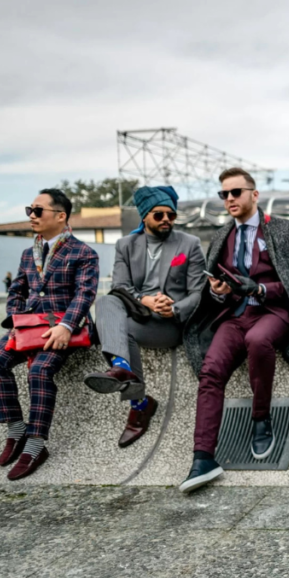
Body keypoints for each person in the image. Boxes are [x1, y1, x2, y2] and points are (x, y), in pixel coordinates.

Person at [180, 168, 289, 492]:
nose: (228, 200)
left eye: (235, 192)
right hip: (233, 315)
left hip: (274, 312)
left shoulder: (285, 230)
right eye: (223, 194)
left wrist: (260, 290)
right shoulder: (222, 235)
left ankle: (261, 419)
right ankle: (202, 458)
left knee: (258, 340)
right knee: (211, 370)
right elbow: (211, 290)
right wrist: (218, 291)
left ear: (255, 194)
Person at [0, 189, 99, 480]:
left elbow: (84, 295)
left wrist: (66, 326)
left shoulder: (84, 253)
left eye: (38, 211)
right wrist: (16, 319)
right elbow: (17, 290)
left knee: (40, 371)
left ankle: (35, 444)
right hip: (29, 327)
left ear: (61, 216)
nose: (31, 216)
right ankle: (16, 428)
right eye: (29, 210)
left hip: (63, 328)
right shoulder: (27, 253)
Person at [83, 186, 206, 448]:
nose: (166, 220)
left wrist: (173, 307)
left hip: (170, 323)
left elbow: (198, 292)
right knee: (107, 300)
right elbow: (120, 286)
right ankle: (126, 374)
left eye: (171, 216)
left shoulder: (189, 243)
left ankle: (138, 402)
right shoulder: (126, 245)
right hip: (138, 313)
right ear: (144, 216)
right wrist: (144, 300)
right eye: (159, 215)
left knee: (119, 329)